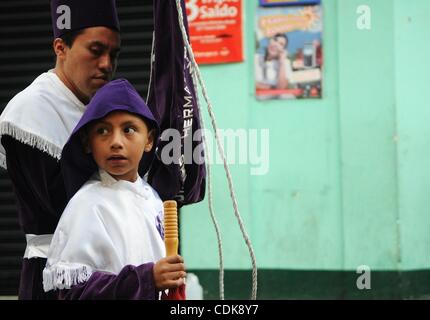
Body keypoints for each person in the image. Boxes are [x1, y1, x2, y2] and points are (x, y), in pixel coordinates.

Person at [0, 0, 121, 299]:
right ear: (60, 48)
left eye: (113, 54)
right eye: (96, 51)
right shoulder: (30, 112)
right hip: (55, 277)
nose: (106, 64)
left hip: (108, 273)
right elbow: (63, 207)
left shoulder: (102, 109)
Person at [42, 78, 186, 299]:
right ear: (87, 143)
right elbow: (72, 293)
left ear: (149, 140)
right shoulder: (87, 204)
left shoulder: (152, 198)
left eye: (128, 129)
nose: (116, 142)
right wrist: (147, 279)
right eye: (102, 131)